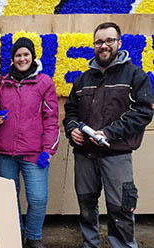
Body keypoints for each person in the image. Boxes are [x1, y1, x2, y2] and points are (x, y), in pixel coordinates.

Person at [63, 22, 153, 248]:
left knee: (120, 208)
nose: (104, 46)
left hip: (116, 155)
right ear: (94, 45)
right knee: (86, 205)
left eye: (109, 40)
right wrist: (72, 129)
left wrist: (110, 133)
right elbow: (71, 110)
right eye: (99, 41)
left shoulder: (135, 75)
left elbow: (143, 111)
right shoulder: (83, 79)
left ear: (119, 43)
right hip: (85, 155)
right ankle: (90, 244)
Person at [0, 37, 59, 248]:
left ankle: (34, 237)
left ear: (33, 56)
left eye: (26, 54)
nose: (22, 59)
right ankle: (15, 235)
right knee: (10, 199)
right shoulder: (2, 83)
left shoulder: (44, 82)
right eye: (18, 55)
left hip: (34, 153)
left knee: (37, 198)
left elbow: (52, 119)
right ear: (13, 58)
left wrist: (48, 149)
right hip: (5, 152)